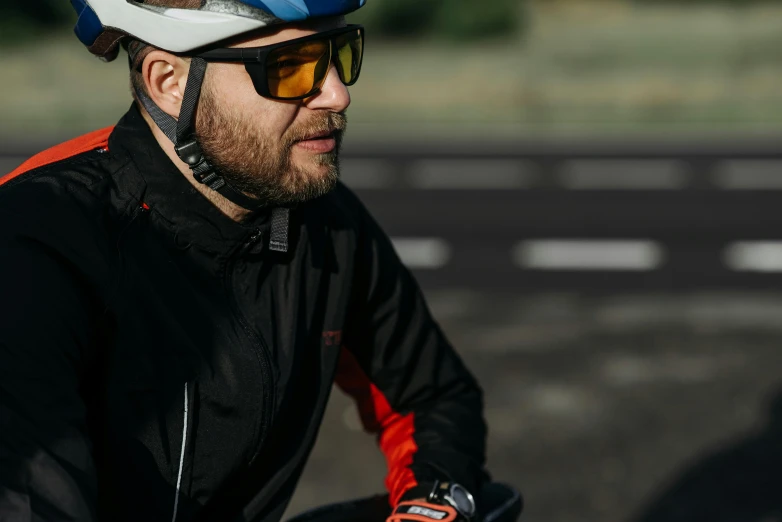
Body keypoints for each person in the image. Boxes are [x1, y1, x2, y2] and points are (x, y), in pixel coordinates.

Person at [0, 1, 522, 521]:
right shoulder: (37, 242)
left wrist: (432, 504)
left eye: (340, 52)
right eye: (291, 66)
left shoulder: (323, 221)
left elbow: (430, 396)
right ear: (169, 81)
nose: (337, 93)